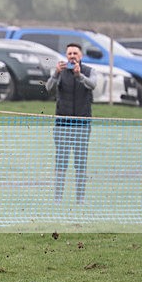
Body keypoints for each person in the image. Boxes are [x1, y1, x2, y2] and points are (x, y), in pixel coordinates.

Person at [45, 43, 97, 204]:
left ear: (81, 56)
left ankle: (80, 199)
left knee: (80, 163)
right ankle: (58, 199)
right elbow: (48, 88)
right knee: (61, 162)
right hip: (63, 124)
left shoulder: (89, 71)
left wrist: (79, 75)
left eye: (75, 53)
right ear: (66, 56)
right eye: (69, 53)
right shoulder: (60, 71)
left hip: (82, 124)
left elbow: (93, 85)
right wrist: (55, 74)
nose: (72, 56)